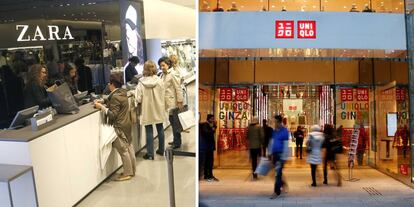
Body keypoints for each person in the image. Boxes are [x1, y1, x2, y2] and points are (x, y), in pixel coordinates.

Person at [94, 73, 136, 181]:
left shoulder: (115, 97)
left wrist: (101, 107)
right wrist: (103, 101)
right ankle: (132, 170)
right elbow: (111, 98)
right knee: (129, 147)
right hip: (126, 124)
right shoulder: (122, 92)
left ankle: (127, 173)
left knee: (123, 150)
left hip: (119, 126)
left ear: (111, 84)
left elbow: (112, 114)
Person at [135, 60, 165, 160]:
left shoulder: (141, 82)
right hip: (158, 107)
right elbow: (163, 94)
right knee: (160, 127)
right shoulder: (160, 80)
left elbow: (138, 98)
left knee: (149, 129)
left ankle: (150, 154)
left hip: (147, 109)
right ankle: (161, 150)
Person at [159, 57, 184, 149]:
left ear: (168, 65)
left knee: (175, 123)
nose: (162, 67)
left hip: (173, 103)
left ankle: (177, 142)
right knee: (172, 122)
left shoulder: (172, 74)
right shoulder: (162, 75)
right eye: (160, 66)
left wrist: (180, 101)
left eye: (163, 65)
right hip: (168, 103)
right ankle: (175, 140)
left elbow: (178, 87)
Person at [270, 115, 289, 199]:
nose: (273, 123)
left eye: (275, 121)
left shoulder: (284, 131)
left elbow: (286, 145)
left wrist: (284, 157)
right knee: (276, 173)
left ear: (279, 122)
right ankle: (283, 183)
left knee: (277, 174)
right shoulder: (274, 131)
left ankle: (276, 192)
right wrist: (269, 153)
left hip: (280, 155)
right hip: (274, 154)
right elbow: (272, 142)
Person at [200, 114, 219, 182]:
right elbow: (207, 134)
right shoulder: (205, 125)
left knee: (210, 162)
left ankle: (210, 175)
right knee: (208, 162)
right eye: (212, 119)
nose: (213, 120)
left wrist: (214, 127)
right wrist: (214, 128)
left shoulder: (209, 125)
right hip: (207, 147)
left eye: (213, 119)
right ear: (209, 119)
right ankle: (207, 176)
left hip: (209, 147)